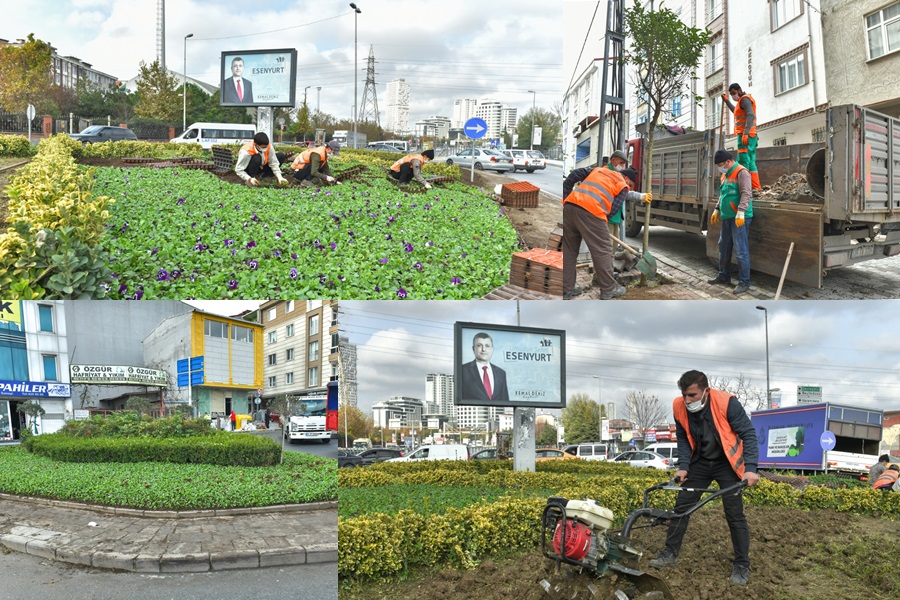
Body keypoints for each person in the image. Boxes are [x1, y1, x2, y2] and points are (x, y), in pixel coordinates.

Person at [648, 369, 759, 586]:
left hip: (726, 464)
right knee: (682, 508)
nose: (687, 400)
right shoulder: (679, 407)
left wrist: (751, 468)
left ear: (705, 391)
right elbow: (682, 438)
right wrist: (684, 466)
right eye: (684, 395)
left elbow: (748, 433)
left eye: (692, 395)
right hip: (700, 462)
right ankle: (669, 553)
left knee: (734, 514)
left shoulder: (727, 403)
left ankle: (741, 564)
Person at [562, 161, 644, 300]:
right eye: (630, 185)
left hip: (570, 207)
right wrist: (601, 222)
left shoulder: (598, 170)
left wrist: (566, 197)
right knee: (603, 250)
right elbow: (615, 207)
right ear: (627, 179)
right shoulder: (622, 185)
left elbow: (574, 174)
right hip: (592, 211)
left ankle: (566, 289)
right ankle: (608, 289)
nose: (629, 188)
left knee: (569, 250)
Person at [707, 149, 753, 294]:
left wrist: (741, 212)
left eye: (721, 164)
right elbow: (723, 194)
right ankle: (724, 276)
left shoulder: (742, 172)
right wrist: (717, 209)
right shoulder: (725, 174)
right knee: (723, 246)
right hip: (727, 216)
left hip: (739, 218)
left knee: (741, 250)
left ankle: (744, 282)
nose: (720, 168)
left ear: (728, 161)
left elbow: (746, 193)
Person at [721, 83, 760, 190]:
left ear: (739, 90)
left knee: (743, 162)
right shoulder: (742, 101)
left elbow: (750, 115)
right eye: (731, 94)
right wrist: (727, 101)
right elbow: (736, 112)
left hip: (745, 135)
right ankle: (755, 188)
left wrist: (745, 133)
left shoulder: (744, 99)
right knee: (751, 163)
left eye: (734, 93)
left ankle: (744, 188)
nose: (733, 96)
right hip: (751, 136)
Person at [460, 332, 509, 403]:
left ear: (492, 349)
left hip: (497, 413)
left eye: (487, 346)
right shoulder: (463, 371)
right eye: (479, 345)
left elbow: (506, 402)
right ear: (473, 349)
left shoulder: (501, 373)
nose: (483, 349)